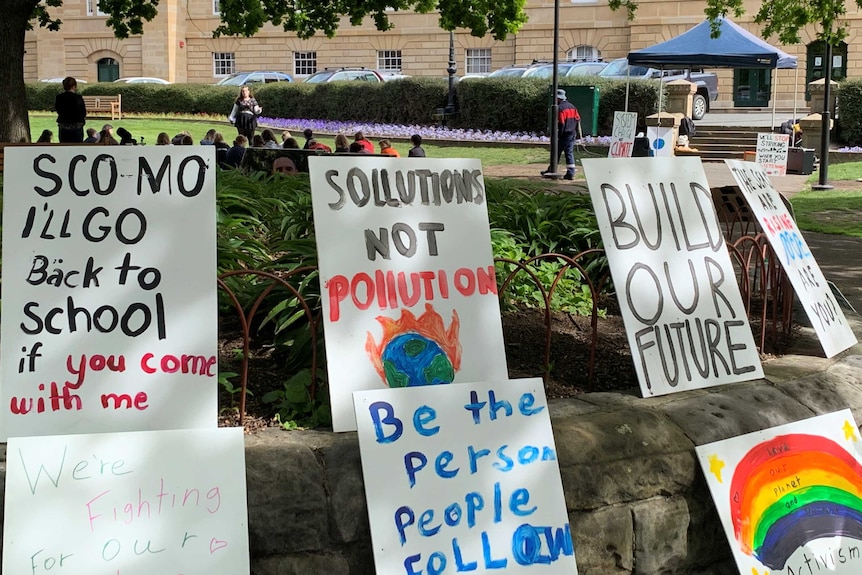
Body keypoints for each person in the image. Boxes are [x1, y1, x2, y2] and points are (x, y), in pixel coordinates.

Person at [541, 89, 579, 180]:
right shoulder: (572, 106)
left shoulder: (560, 108)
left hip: (564, 134)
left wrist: (558, 136)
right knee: (569, 153)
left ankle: (552, 170)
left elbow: (561, 123)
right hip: (572, 133)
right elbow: (577, 119)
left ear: (558, 98)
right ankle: (571, 172)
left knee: (556, 152)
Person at [54, 76, 87, 143]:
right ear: (74, 86)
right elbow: (83, 112)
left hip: (63, 126)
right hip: (76, 127)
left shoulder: (59, 98)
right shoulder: (78, 98)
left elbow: (58, 109)